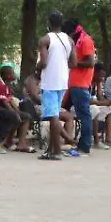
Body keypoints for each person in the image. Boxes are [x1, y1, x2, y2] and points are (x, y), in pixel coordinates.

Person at [36, 12, 77, 160]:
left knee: (53, 116)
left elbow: (44, 62)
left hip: (50, 82)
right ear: (62, 22)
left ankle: (56, 151)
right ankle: (52, 149)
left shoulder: (45, 39)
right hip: (63, 81)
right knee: (55, 114)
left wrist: (37, 66)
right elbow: (74, 63)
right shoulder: (69, 40)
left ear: (48, 22)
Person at [62, 19, 97, 155]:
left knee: (84, 116)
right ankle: (77, 143)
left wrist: (73, 63)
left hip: (80, 84)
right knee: (79, 114)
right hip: (75, 84)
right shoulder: (79, 40)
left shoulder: (86, 40)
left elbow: (90, 62)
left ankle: (84, 145)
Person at [0, 64, 36, 153]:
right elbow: (4, 102)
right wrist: (14, 112)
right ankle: (0, 142)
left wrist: (18, 111)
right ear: (8, 76)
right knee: (15, 116)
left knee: (25, 116)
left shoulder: (8, 86)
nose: (15, 74)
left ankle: (18, 143)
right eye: (13, 72)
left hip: (4, 108)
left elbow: (11, 100)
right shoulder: (0, 85)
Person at [89, 64, 111, 149]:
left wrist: (110, 103)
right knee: (95, 109)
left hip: (93, 105)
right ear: (94, 73)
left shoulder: (97, 83)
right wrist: (108, 102)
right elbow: (89, 102)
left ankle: (109, 139)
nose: (102, 78)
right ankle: (96, 141)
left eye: (103, 77)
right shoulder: (87, 82)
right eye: (100, 76)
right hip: (82, 106)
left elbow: (100, 98)